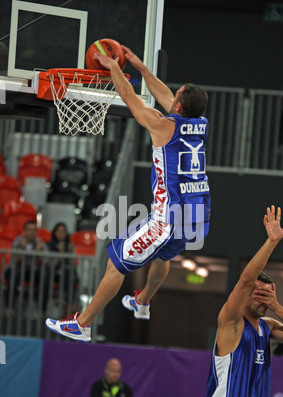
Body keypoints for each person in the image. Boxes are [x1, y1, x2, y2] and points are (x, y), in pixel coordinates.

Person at [46, 46, 211, 341]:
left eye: (176, 96)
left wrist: (114, 67)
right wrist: (142, 68)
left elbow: (130, 99)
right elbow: (166, 97)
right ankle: (143, 302)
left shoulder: (162, 127)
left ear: (178, 107)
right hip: (196, 215)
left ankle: (82, 324)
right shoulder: (200, 124)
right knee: (162, 257)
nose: (171, 96)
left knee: (116, 262)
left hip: (167, 219)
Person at [202, 205, 283, 397]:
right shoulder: (231, 321)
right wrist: (272, 241)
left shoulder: (267, 327)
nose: (263, 301)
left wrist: (277, 307)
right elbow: (246, 279)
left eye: (268, 296)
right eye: (259, 295)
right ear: (246, 296)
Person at [4, 220, 49, 312]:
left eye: (34, 230)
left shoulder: (40, 244)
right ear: (24, 231)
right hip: (18, 269)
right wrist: (23, 249)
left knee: (45, 275)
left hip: (33, 271)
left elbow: (45, 264)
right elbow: (15, 263)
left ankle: (42, 310)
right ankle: (9, 307)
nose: (32, 232)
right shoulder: (18, 242)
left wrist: (39, 252)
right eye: (29, 230)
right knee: (14, 273)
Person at [47, 222, 78, 312]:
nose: (61, 234)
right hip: (53, 273)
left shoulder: (69, 246)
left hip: (66, 274)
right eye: (59, 231)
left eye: (63, 232)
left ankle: (69, 304)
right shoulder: (49, 245)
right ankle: (70, 304)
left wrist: (71, 253)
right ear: (54, 233)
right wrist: (60, 255)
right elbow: (49, 264)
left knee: (70, 275)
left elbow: (72, 264)